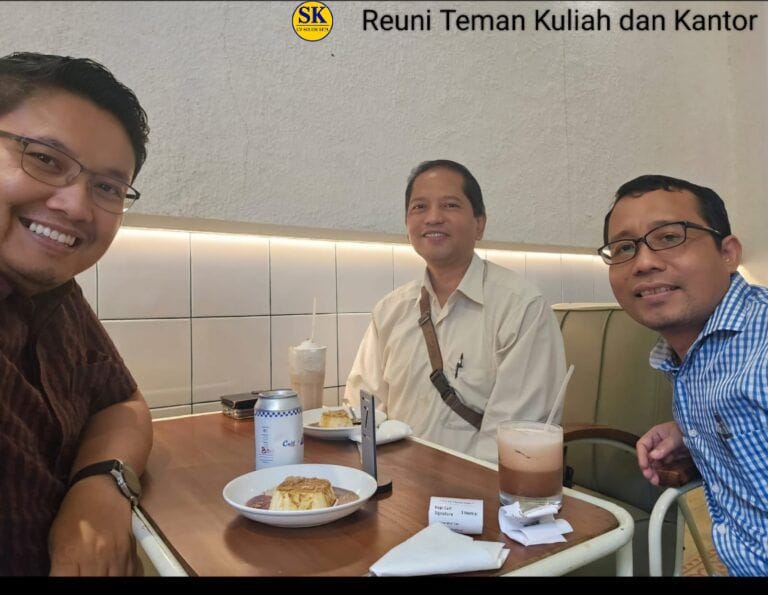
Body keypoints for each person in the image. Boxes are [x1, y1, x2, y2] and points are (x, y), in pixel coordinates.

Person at [0, 52, 152, 576]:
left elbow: (122, 403)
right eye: (45, 159)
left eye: (107, 187)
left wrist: (102, 486)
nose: (77, 206)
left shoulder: (55, 294)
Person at [599, 174, 768, 576]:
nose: (644, 262)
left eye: (670, 237)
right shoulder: (689, 358)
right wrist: (692, 432)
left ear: (727, 253)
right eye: (624, 248)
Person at [344, 160, 566, 463]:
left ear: (479, 224)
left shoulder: (521, 308)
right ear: (407, 226)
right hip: (395, 481)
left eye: (450, 205)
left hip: (478, 487)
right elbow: (361, 408)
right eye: (419, 207)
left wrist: (452, 488)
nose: (433, 217)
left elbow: (516, 439)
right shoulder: (390, 311)